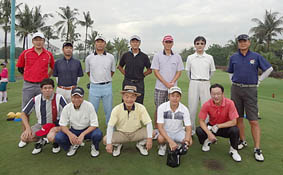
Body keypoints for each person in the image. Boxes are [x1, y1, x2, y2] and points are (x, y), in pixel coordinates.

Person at [227, 34, 273, 162]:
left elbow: (269, 69)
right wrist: (234, 82)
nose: (242, 43)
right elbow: (230, 72)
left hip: (250, 89)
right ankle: (242, 140)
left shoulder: (256, 56)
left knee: (253, 120)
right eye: (240, 41)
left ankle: (257, 148)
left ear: (249, 42)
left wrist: (259, 80)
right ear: (238, 43)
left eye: (244, 41)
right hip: (236, 89)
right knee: (238, 118)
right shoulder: (233, 57)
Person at [17, 32, 55, 148]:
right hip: (28, 85)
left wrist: (45, 79)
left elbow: (52, 68)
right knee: (26, 111)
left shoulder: (48, 54)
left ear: (44, 41)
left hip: (42, 87)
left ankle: (43, 136)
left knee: (45, 111)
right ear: (33, 41)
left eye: (41, 40)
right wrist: (29, 76)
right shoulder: (26, 53)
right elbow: (20, 67)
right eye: (36, 39)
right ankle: (25, 135)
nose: (38, 42)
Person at [19, 78, 67, 155]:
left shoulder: (59, 98)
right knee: (24, 137)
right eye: (45, 88)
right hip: (41, 125)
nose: (47, 90)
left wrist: (61, 126)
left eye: (50, 88)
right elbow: (23, 114)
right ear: (41, 89)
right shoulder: (36, 99)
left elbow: (68, 111)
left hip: (55, 125)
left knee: (51, 137)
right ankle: (40, 141)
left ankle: (55, 143)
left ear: (53, 89)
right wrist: (27, 128)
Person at [196, 84, 242, 162]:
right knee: (199, 130)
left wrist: (219, 126)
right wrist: (209, 133)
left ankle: (233, 150)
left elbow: (234, 122)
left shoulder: (230, 103)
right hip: (212, 127)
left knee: (235, 130)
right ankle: (207, 141)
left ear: (223, 94)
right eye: (213, 94)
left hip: (225, 127)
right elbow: (201, 121)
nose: (216, 96)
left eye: (218, 94)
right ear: (210, 94)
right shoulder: (207, 104)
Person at [104, 85, 153, 157]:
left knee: (153, 133)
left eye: (132, 97)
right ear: (123, 97)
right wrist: (109, 143)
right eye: (127, 96)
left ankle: (140, 144)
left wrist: (149, 139)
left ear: (136, 97)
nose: (129, 99)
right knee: (105, 140)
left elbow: (149, 123)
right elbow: (110, 126)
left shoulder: (141, 107)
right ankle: (118, 145)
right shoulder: (116, 109)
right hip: (121, 134)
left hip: (136, 132)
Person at [55, 87, 103, 157]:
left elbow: (94, 124)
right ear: (71, 97)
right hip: (74, 130)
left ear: (83, 97)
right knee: (59, 137)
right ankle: (73, 144)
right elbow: (62, 125)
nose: (76, 100)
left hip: (87, 130)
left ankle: (94, 147)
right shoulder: (67, 108)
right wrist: (70, 134)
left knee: (98, 134)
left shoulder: (89, 105)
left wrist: (82, 134)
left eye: (79, 97)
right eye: (74, 97)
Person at [150, 35, 184, 135]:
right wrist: (165, 83)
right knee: (159, 108)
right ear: (163, 43)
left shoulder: (177, 56)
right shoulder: (157, 55)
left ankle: (169, 128)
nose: (168, 44)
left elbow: (179, 71)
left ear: (172, 43)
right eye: (166, 42)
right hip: (160, 87)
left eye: (170, 42)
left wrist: (172, 82)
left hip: (173, 89)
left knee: (172, 108)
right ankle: (157, 128)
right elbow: (155, 71)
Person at [185, 36, 216, 135]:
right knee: (192, 107)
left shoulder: (209, 57)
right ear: (194, 45)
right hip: (194, 82)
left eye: (202, 43)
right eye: (197, 43)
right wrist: (195, 79)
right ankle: (191, 130)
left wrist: (205, 79)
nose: (199, 45)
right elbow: (188, 72)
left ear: (204, 45)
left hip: (206, 83)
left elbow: (212, 72)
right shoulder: (190, 58)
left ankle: (205, 130)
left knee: (206, 106)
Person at [85, 35, 116, 125]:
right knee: (92, 110)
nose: (100, 44)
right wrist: (96, 79)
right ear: (95, 44)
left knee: (109, 110)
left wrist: (105, 79)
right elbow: (88, 72)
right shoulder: (89, 58)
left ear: (105, 44)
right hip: (94, 87)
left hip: (107, 86)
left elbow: (112, 71)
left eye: (102, 42)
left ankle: (110, 130)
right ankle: (91, 130)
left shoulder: (111, 57)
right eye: (98, 41)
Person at [157, 86, 192, 156]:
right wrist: (170, 141)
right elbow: (160, 127)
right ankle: (163, 145)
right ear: (169, 96)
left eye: (177, 96)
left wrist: (186, 142)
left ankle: (179, 144)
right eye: (172, 96)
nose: (175, 98)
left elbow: (188, 128)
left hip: (178, 132)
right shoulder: (162, 107)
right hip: (166, 132)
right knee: (160, 139)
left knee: (190, 141)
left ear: (180, 97)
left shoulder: (184, 109)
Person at [118, 35, 152, 104]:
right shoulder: (126, 55)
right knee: (126, 102)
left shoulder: (144, 56)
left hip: (139, 83)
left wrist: (142, 75)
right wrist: (126, 74)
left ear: (139, 43)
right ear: (130, 43)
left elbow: (149, 70)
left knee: (139, 103)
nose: (135, 43)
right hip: (127, 82)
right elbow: (120, 66)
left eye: (137, 42)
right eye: (133, 42)